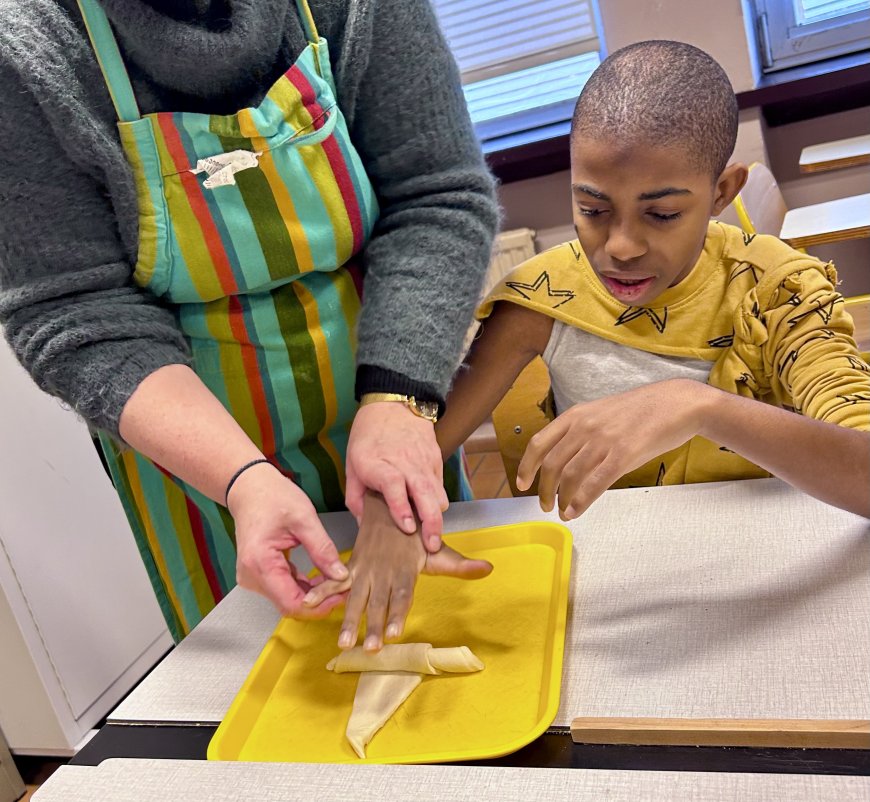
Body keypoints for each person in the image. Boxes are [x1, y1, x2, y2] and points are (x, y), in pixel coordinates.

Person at [305, 40, 870, 649]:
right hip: (610, 595)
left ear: (722, 191)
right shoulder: (544, 296)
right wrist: (393, 512)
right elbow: (422, 441)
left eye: (661, 215)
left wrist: (697, 404)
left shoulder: (777, 288)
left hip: (768, 583)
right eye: (592, 208)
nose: (620, 246)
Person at [0, 0, 499, 641]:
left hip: (390, 398)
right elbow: (72, 309)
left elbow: (436, 194)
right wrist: (242, 481)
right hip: (201, 470)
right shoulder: (29, 48)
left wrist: (398, 397)